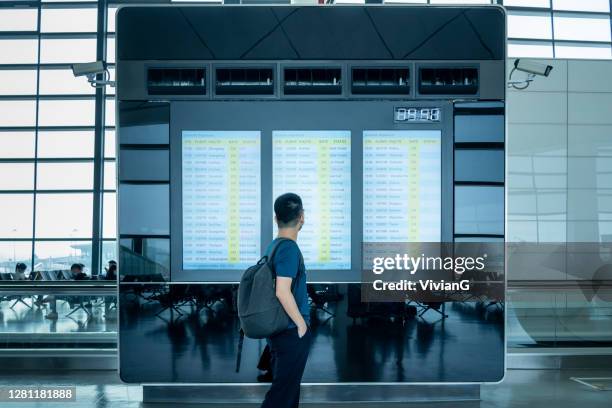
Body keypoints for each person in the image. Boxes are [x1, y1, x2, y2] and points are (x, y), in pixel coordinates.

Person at [260, 193, 311, 408]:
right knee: (282, 395)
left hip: (279, 330)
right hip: (290, 332)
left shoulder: (274, 246)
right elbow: (282, 291)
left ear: (275, 218)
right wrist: (301, 324)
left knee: (287, 394)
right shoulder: (289, 249)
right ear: (301, 217)